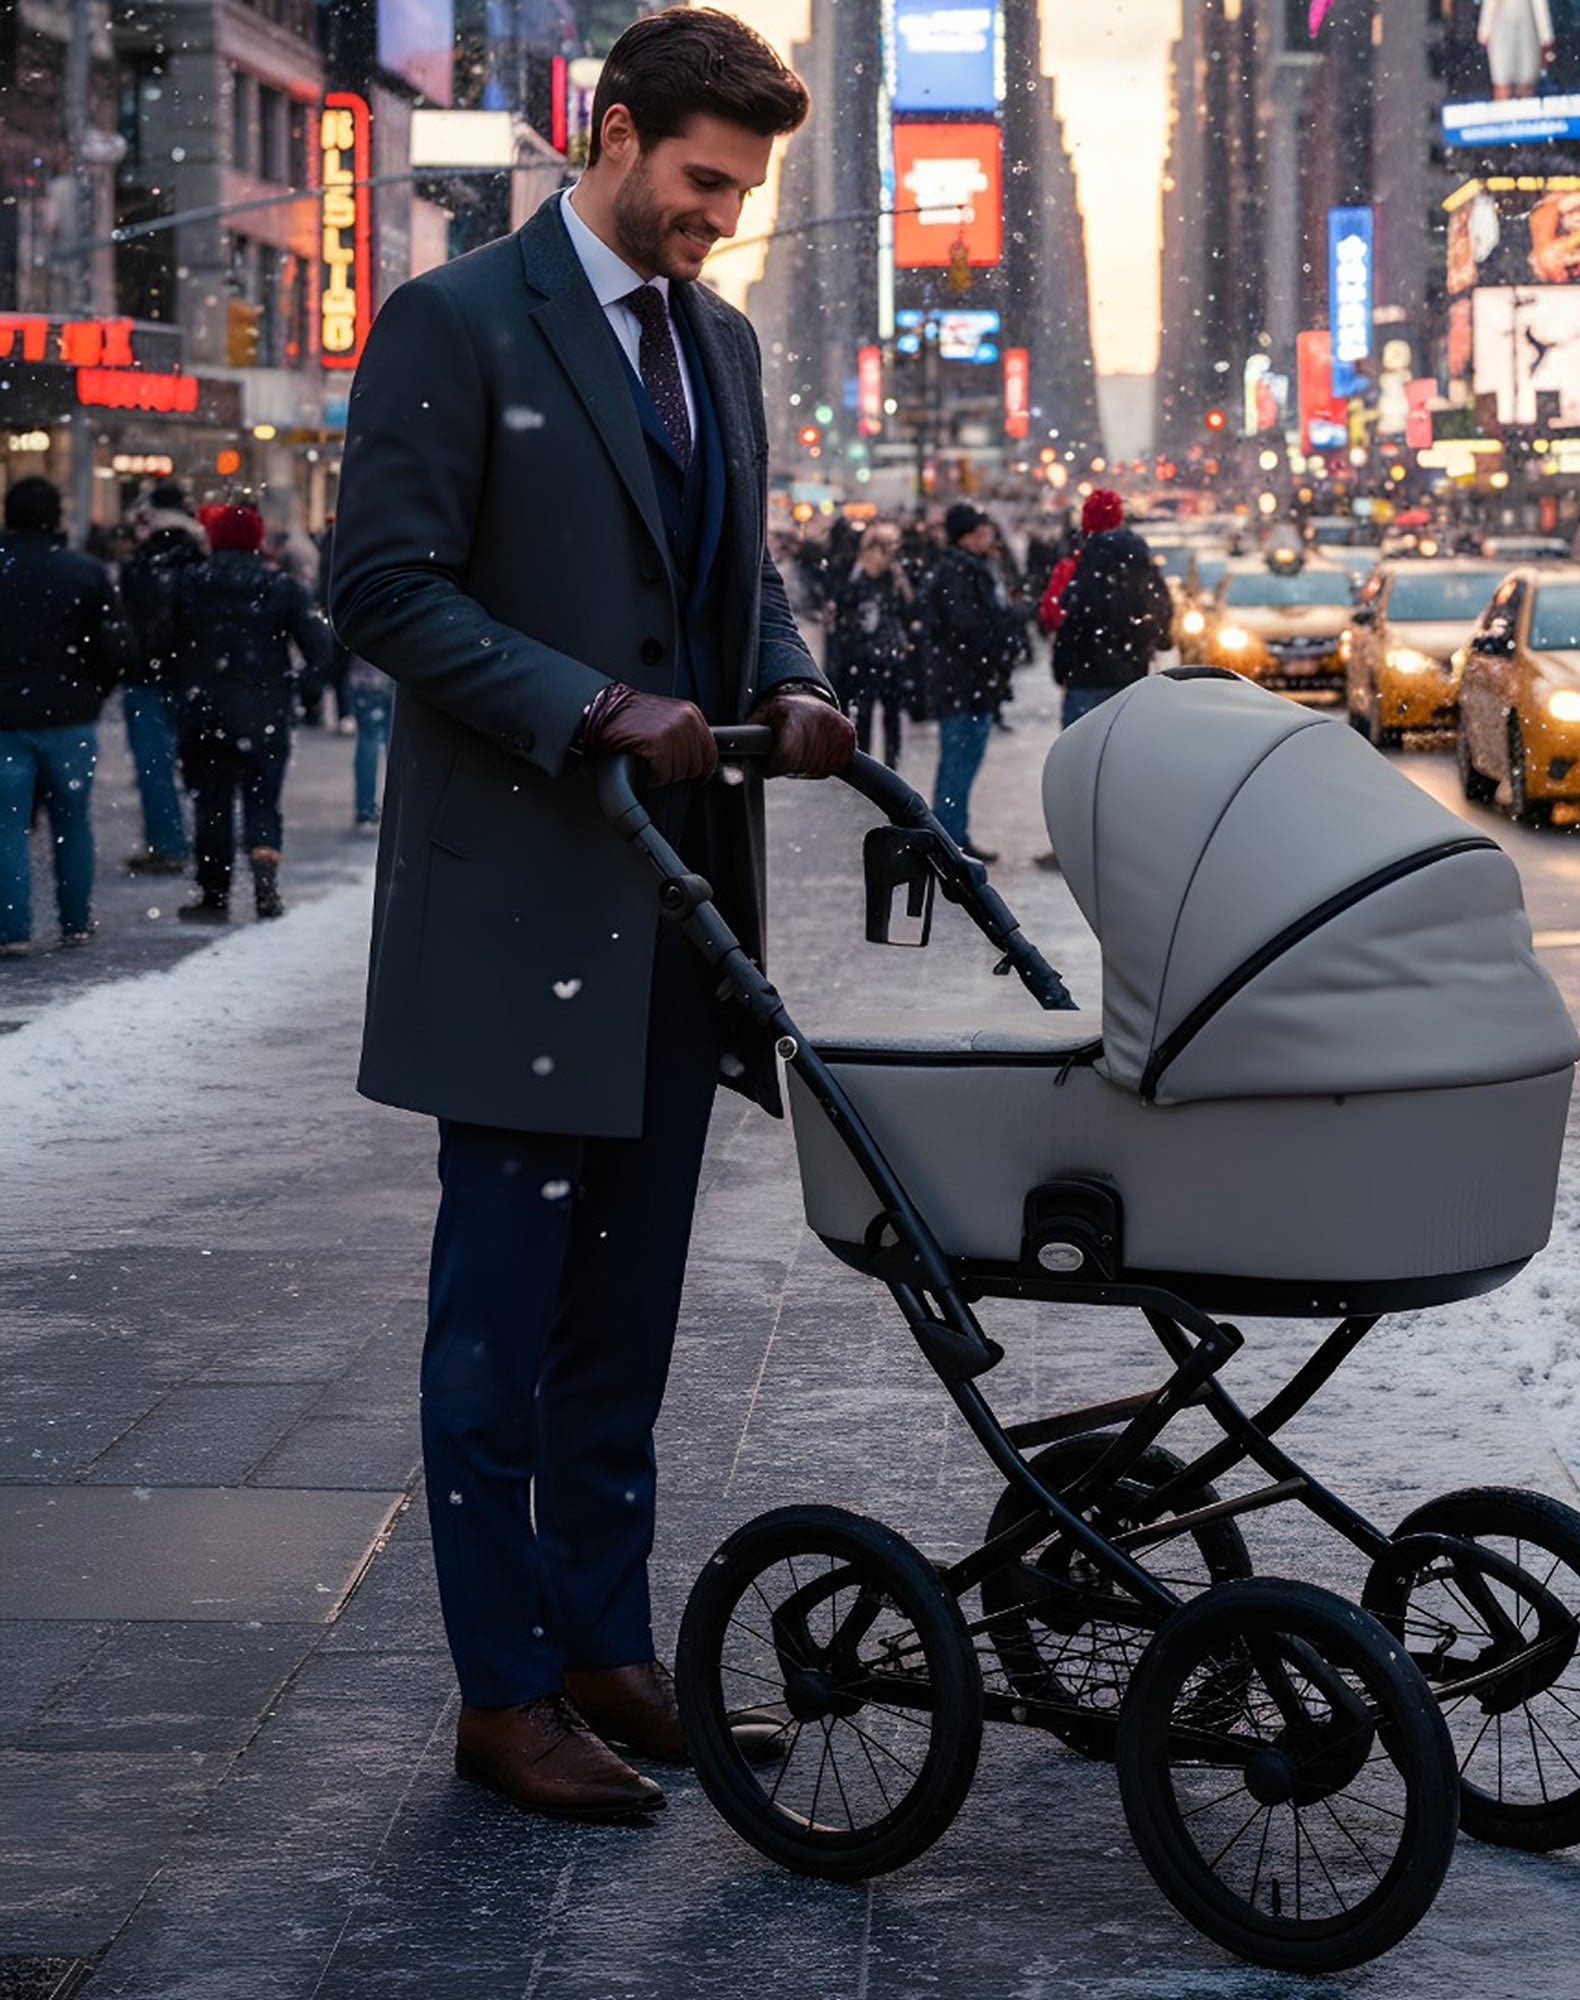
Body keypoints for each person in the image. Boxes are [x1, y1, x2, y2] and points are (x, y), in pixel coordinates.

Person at [327, 6, 852, 1822]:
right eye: (702, 182)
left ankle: (604, 1644)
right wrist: (589, 705)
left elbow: (735, 578)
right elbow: (381, 585)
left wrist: (786, 680)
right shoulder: (453, 321)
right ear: (612, 132)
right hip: (526, 909)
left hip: (681, 910)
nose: (720, 217)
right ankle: (501, 1693)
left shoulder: (719, 341)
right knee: (496, 1331)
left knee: (624, 1325)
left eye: (743, 193)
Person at [167, 502, 335, 923]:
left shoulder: (190, 583)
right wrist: (299, 691)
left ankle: (214, 892)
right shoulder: (280, 586)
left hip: (206, 707)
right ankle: (265, 877)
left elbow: (162, 643)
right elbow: (319, 648)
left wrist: (182, 688)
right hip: (263, 706)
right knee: (263, 799)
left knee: (213, 803)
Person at [0, 476, 137, 955]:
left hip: (6, 720)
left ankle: (11, 926)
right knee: (72, 820)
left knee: (7, 824)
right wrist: (93, 692)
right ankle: (74, 920)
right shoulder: (86, 572)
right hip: (70, 716)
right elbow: (116, 648)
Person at [917, 502, 1017, 861]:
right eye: (979, 531)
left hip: (971, 684)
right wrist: (1007, 621)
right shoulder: (957, 574)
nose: (987, 536)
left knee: (962, 761)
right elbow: (968, 628)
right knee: (958, 762)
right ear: (965, 537)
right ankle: (948, 838)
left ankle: (951, 833)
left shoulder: (970, 569)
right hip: (963, 686)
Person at [116, 480, 205, 875]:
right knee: (200, 765)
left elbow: (126, 623)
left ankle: (167, 842)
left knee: (153, 765)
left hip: (145, 675)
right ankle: (206, 841)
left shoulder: (138, 564)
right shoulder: (199, 559)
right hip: (192, 675)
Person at [1047, 488, 1173, 732]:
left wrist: (1062, 664)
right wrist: (1152, 638)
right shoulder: (1136, 556)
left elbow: (1074, 616)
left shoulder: (1085, 559)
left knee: (1080, 756)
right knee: (1123, 755)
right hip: (1130, 673)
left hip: (1086, 674)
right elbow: (1160, 604)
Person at [830, 522, 916, 769]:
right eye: (889, 547)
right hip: (863, 657)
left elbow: (909, 608)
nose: (893, 554)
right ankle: (865, 766)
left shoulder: (893, 576)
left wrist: (900, 579)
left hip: (890, 655)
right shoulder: (855, 574)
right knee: (864, 715)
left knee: (892, 715)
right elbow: (843, 610)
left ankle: (891, 766)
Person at [347, 653, 393, 826]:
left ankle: (365, 806)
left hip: (366, 675)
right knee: (395, 743)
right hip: (397, 675)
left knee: (368, 739)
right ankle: (399, 803)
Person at [1480, 0, 1554, 99]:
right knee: (1503, 81)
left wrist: (1546, 35)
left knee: (1525, 81)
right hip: (1502, 26)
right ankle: (1504, 109)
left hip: (1526, 25)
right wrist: (1485, 29)